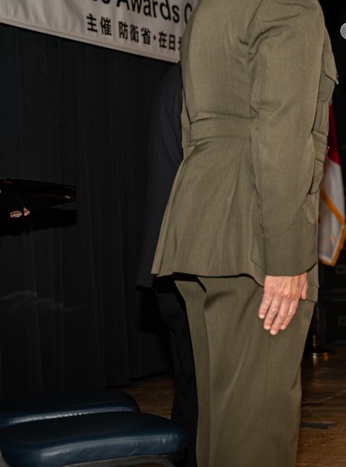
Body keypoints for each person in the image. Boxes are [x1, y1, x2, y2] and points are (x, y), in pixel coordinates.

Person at [152, 0, 344, 467]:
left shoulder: (216, 0)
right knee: (256, 430)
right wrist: (286, 258)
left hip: (198, 232)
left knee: (219, 423)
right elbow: (282, 136)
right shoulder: (288, 3)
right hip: (255, 243)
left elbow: (192, 129)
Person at [136, 62, 197, 467]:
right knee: (202, 387)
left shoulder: (177, 77)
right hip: (192, 259)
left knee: (193, 385)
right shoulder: (200, 81)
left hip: (172, 257)